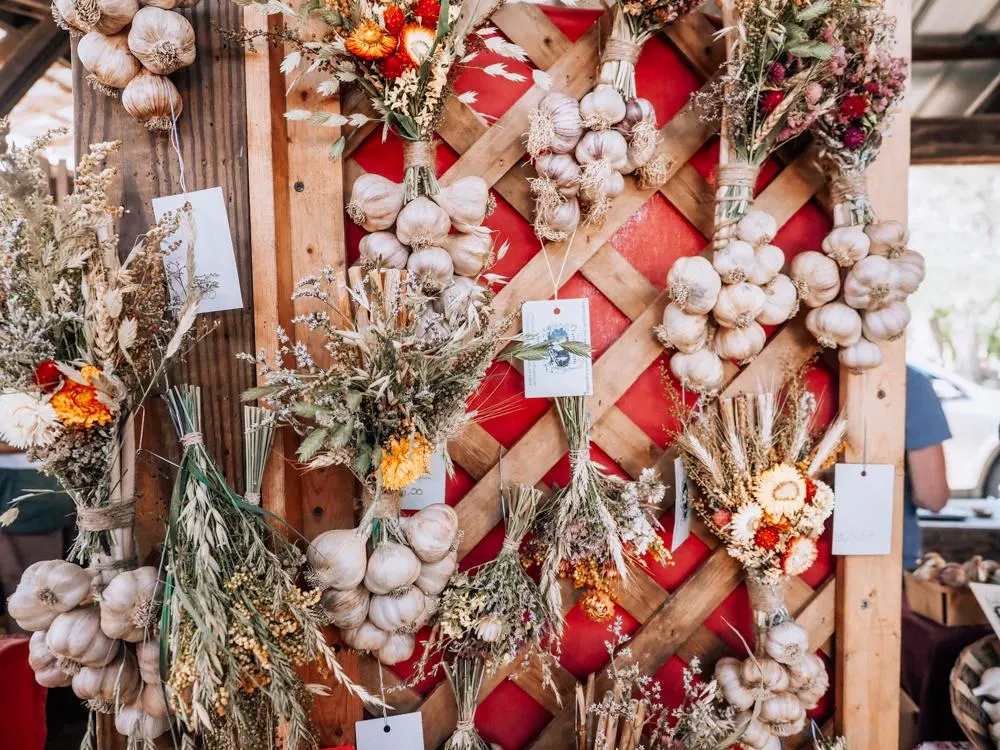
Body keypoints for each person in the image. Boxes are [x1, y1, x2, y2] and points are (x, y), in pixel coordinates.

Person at [0, 444, 75, 634]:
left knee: (34, 589)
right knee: (12, 581)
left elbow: (51, 438)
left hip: (32, 493)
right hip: (14, 485)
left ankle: (31, 653)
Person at [903, 365, 952, 570]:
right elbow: (932, 496)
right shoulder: (909, 382)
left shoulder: (798, 370)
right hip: (887, 566)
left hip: (800, 561)